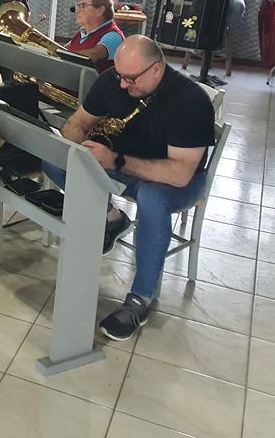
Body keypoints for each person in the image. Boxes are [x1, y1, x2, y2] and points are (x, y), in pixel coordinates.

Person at [41, 36, 214, 341]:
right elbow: (77, 122)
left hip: (174, 179)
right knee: (54, 160)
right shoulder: (114, 79)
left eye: (130, 79)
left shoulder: (190, 101)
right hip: (122, 164)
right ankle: (112, 217)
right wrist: (77, 144)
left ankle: (140, 299)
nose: (122, 84)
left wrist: (115, 160)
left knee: (152, 197)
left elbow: (179, 174)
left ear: (156, 70)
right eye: (120, 76)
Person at [68, 0, 125, 73]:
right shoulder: (81, 33)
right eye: (78, 6)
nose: (77, 10)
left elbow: (93, 55)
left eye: (83, 6)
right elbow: (63, 51)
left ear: (100, 10)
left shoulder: (114, 35)